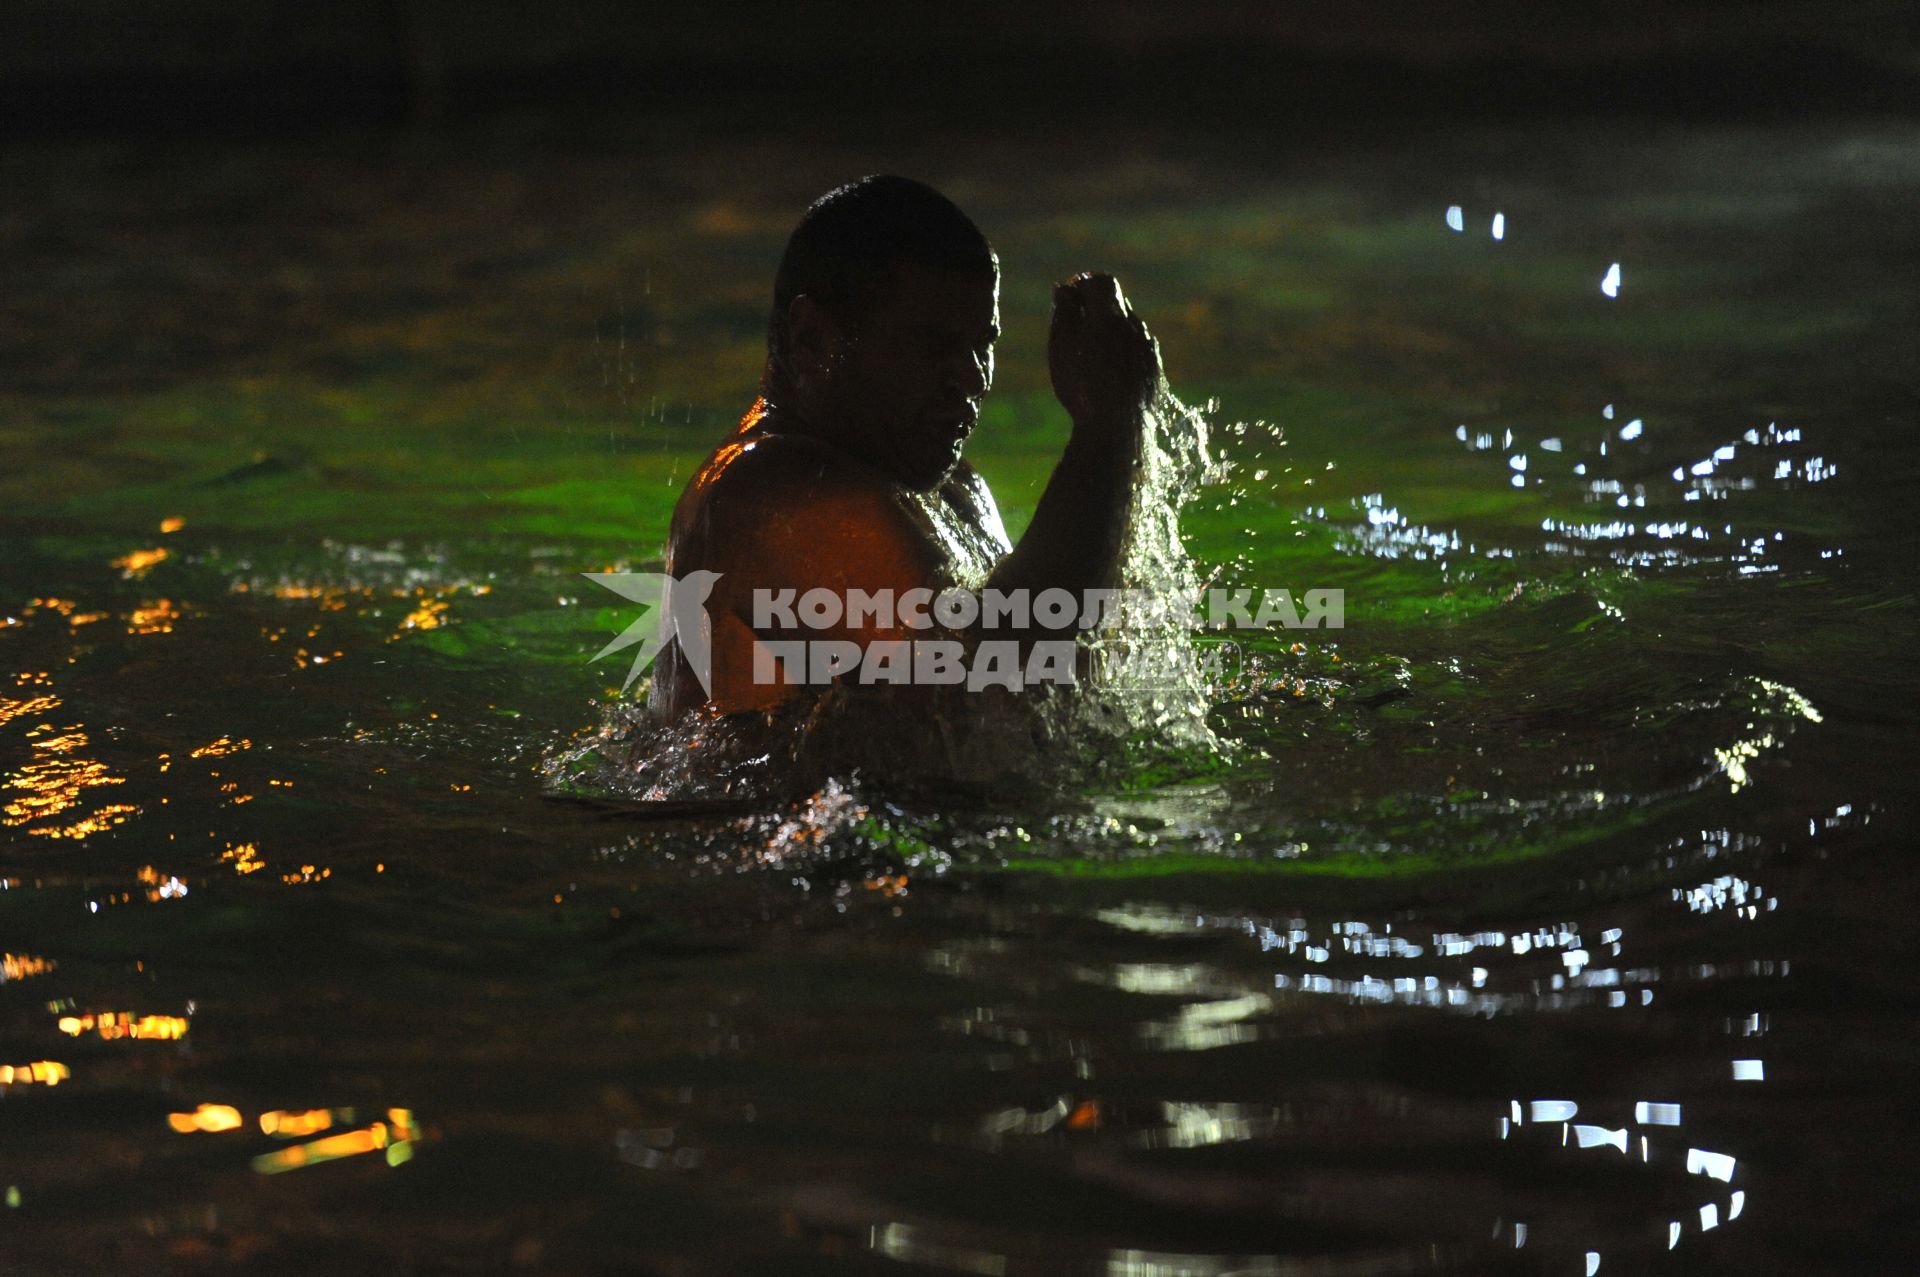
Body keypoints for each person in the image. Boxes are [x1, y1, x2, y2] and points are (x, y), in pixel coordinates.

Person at [649, 175, 1170, 720]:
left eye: (982, 344)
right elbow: (990, 687)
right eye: (932, 344)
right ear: (813, 339)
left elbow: (1052, 679)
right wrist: (1108, 430)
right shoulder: (767, 493)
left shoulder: (953, 488)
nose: (972, 380)